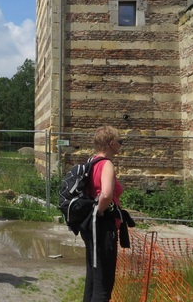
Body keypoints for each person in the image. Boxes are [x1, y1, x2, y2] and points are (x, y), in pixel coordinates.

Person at [80, 126, 124, 301]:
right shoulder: (106, 164)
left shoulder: (91, 161)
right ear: (111, 143)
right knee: (104, 284)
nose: (121, 145)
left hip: (90, 225)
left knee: (93, 278)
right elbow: (105, 194)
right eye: (120, 142)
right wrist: (99, 213)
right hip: (103, 226)